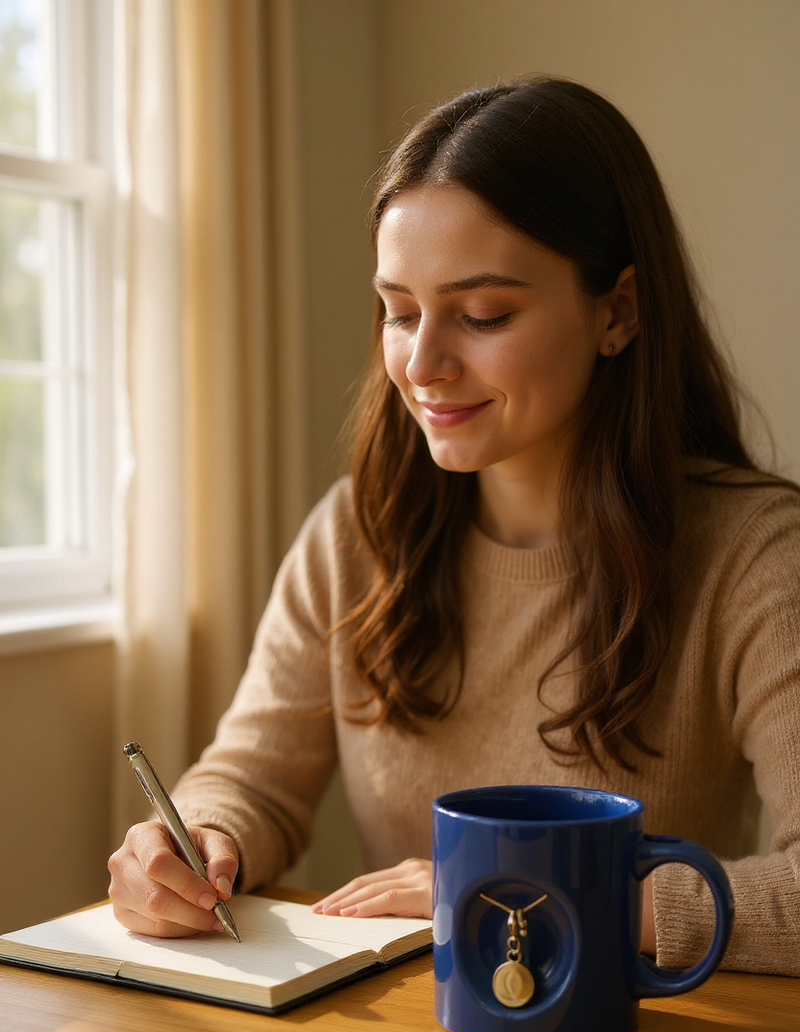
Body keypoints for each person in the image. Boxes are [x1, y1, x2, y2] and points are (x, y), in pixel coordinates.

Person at [108, 76, 800, 975]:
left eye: (482, 315)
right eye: (399, 311)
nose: (423, 363)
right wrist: (194, 839)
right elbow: (251, 776)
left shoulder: (753, 554)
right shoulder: (358, 533)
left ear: (618, 311)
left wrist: (515, 891)